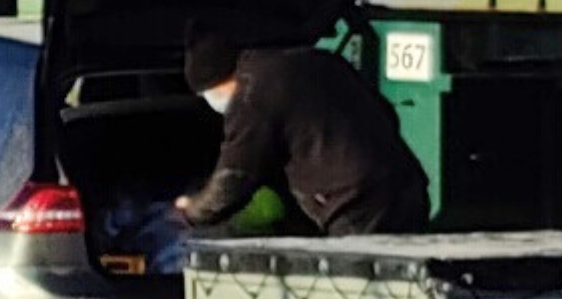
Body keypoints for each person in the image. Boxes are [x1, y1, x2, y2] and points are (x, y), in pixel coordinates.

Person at [174, 24, 430, 239]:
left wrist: (191, 211)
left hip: (356, 204)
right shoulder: (318, 60)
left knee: (361, 281)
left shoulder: (251, 94)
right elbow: (386, 112)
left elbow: (234, 178)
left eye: (207, 94)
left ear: (217, 80)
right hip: (406, 186)